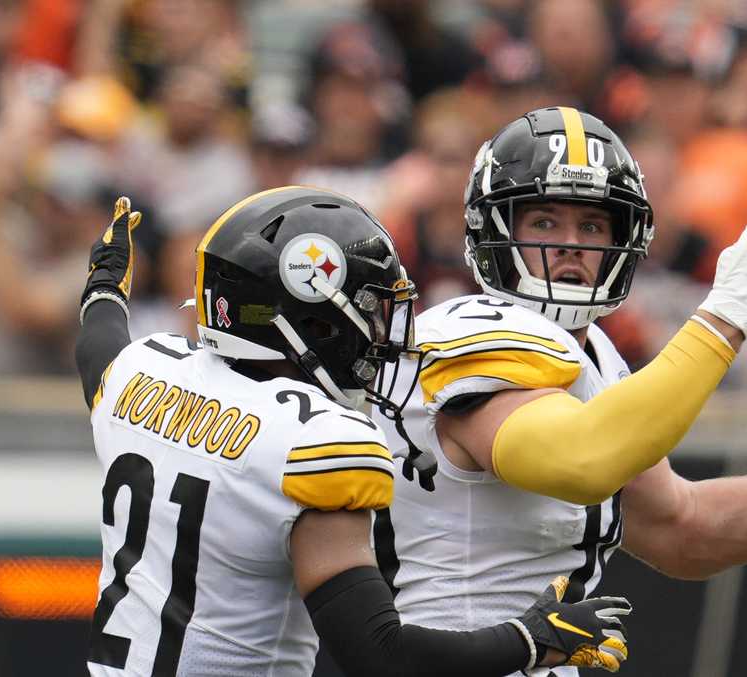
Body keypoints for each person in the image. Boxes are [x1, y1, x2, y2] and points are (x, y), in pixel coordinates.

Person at [373, 107, 747, 675]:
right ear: (492, 230)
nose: (570, 243)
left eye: (591, 223)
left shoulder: (599, 358)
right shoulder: (466, 329)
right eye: (543, 220)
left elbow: (684, 530)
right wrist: (724, 318)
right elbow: (576, 460)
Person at [74, 187, 636, 676]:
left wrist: (103, 284)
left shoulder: (141, 371)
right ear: (313, 321)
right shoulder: (314, 441)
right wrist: (529, 639)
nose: (378, 332)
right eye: (368, 309)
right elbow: (379, 655)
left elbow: (98, 341)